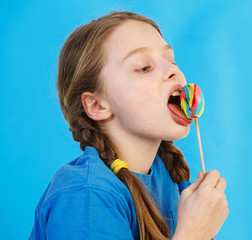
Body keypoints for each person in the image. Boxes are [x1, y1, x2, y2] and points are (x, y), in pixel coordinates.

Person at [29, 11, 228, 240]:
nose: (175, 70)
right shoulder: (85, 195)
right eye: (144, 67)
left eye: (171, 60)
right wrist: (194, 233)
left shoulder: (164, 175)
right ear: (97, 105)